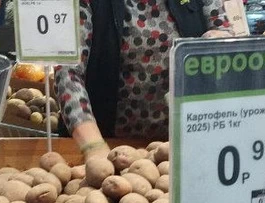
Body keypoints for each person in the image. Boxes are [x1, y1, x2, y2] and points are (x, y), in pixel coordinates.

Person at [55, 0, 231, 158]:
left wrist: (218, 43)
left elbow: (225, 34)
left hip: (185, 145)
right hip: (108, 144)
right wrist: (93, 147)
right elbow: (68, 71)